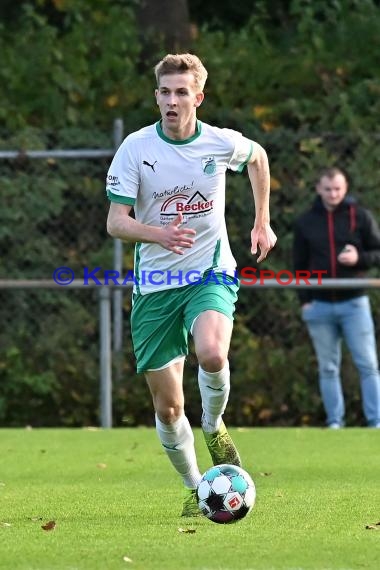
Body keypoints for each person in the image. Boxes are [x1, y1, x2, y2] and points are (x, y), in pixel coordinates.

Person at [106, 53, 277, 516]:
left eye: (182, 92)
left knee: (213, 353)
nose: (172, 100)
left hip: (210, 271)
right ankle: (195, 485)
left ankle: (215, 422)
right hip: (156, 285)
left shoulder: (219, 143)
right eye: (165, 92)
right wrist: (158, 233)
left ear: (198, 97)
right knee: (166, 409)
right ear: (157, 96)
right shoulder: (136, 148)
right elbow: (116, 223)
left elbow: (258, 158)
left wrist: (262, 221)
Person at [293, 167, 380, 429]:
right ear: (319, 189)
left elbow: (378, 251)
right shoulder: (305, 222)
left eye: (338, 189)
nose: (334, 194)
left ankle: (376, 423)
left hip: (355, 303)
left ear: (346, 188)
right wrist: (304, 301)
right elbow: (298, 266)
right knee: (328, 368)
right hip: (318, 306)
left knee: (368, 364)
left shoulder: (360, 217)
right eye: (328, 189)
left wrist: (359, 259)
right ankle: (335, 423)